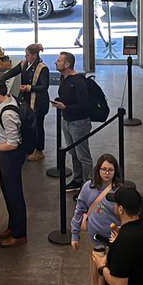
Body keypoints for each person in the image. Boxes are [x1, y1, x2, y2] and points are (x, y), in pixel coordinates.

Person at [70, 155, 122, 285]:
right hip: (95, 241)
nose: (107, 173)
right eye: (104, 169)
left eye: (110, 170)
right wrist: (75, 234)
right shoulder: (88, 187)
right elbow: (79, 211)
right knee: (96, 275)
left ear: (115, 171)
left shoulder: (120, 190)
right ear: (98, 170)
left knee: (109, 275)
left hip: (114, 242)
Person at [0, 76, 27, 248]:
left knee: (14, 194)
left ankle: (20, 234)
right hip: (7, 156)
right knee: (8, 192)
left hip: (11, 157)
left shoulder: (7, 113)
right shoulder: (8, 102)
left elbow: (12, 143)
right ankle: (13, 227)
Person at [1, 43, 50, 162]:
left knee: (38, 126)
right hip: (26, 100)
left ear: (34, 55)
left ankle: (39, 150)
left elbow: (44, 86)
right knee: (28, 125)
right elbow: (13, 72)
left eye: (27, 55)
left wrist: (28, 87)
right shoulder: (24, 63)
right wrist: (0, 79)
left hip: (38, 102)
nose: (25, 56)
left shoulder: (42, 68)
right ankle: (29, 147)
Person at [52, 51, 92, 189]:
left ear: (67, 64)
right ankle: (78, 179)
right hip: (67, 121)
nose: (56, 62)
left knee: (83, 156)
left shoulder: (78, 81)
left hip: (79, 123)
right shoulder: (64, 78)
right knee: (73, 153)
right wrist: (61, 103)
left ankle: (88, 187)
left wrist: (66, 107)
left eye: (59, 60)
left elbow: (84, 106)